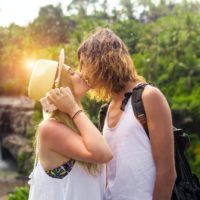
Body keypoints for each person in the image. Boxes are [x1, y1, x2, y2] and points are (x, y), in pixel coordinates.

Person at [53, 28, 177, 200]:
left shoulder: (149, 97)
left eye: (83, 63)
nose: (81, 72)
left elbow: (167, 173)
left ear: (101, 60)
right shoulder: (106, 109)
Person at [28, 56, 113, 200]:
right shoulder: (49, 129)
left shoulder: (75, 124)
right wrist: (73, 109)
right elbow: (104, 154)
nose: (79, 74)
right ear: (58, 88)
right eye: (72, 73)